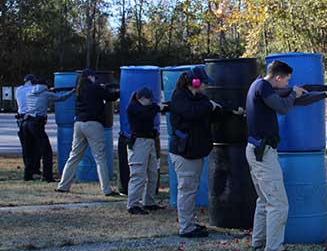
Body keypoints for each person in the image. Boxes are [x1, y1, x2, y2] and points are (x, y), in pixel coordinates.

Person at [245, 60, 319, 251]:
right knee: (278, 203)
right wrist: (294, 93)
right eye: (286, 81)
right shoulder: (263, 87)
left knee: (264, 199)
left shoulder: (258, 85)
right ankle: (274, 249)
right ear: (278, 78)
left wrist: (321, 94)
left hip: (256, 149)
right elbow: (284, 107)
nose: (287, 84)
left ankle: (259, 241)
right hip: (263, 151)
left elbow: (290, 101)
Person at [169, 66, 224, 237]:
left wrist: (221, 110)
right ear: (195, 82)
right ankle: (186, 228)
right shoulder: (179, 97)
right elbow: (192, 113)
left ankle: (189, 223)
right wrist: (210, 106)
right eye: (203, 83)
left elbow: (208, 114)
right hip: (184, 153)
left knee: (191, 189)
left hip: (194, 152)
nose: (206, 86)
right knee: (186, 190)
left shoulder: (198, 98)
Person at [55, 68, 121, 196]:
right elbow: (110, 97)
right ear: (90, 77)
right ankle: (106, 189)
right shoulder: (95, 88)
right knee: (100, 158)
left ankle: (63, 185)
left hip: (78, 124)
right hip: (93, 124)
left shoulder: (79, 90)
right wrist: (119, 91)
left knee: (74, 156)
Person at [24, 79, 75, 182]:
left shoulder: (29, 93)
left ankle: (27, 175)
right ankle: (47, 176)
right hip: (37, 123)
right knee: (46, 151)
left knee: (31, 150)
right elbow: (61, 98)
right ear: (45, 86)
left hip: (26, 123)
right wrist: (72, 92)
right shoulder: (46, 94)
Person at [126, 87, 165, 215]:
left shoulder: (147, 107)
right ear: (141, 98)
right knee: (138, 175)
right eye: (148, 100)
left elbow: (150, 110)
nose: (150, 102)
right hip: (139, 143)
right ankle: (133, 204)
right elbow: (145, 113)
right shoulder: (133, 107)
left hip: (150, 141)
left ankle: (149, 202)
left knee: (153, 173)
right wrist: (157, 108)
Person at [15, 74, 39, 180]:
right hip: (31, 118)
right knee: (36, 145)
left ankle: (28, 169)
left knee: (26, 146)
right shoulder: (34, 89)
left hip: (21, 120)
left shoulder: (18, 89)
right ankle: (35, 168)